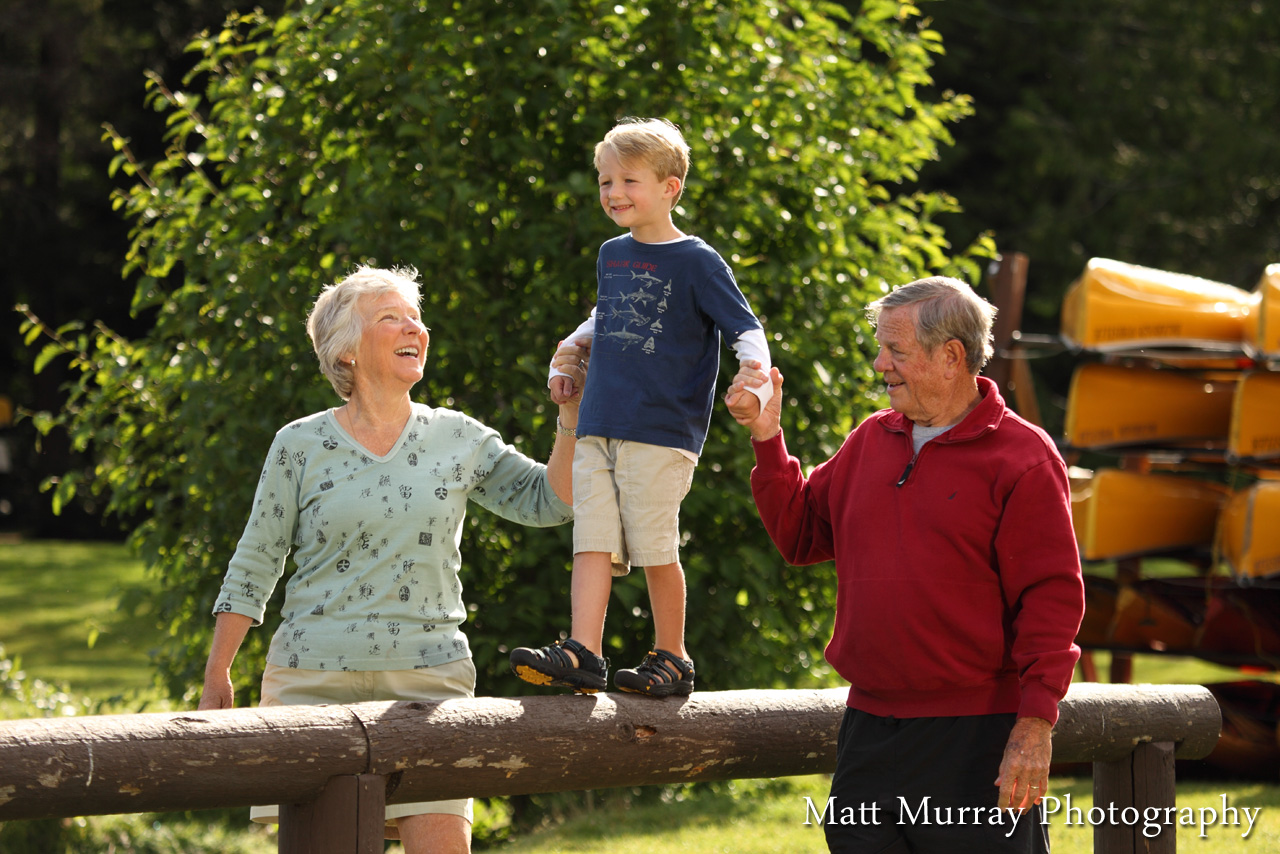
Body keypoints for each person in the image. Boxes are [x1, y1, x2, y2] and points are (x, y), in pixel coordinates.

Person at [197, 265, 583, 854]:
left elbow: (551, 501)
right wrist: (219, 669)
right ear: (345, 353)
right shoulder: (298, 444)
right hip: (312, 680)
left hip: (429, 682)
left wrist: (570, 416)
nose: (416, 328)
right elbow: (257, 557)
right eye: (391, 317)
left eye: (416, 317)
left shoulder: (457, 436)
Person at [726, 277, 1084, 853]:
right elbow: (799, 536)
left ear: (951, 356)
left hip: (978, 737)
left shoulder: (1024, 457)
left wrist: (1035, 723)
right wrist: (768, 436)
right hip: (869, 731)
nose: (878, 363)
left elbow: (1052, 600)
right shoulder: (869, 439)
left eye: (896, 350)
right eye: (880, 347)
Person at [508, 117, 773, 697]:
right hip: (600, 419)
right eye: (605, 182)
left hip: (660, 428)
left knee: (655, 545)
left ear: (670, 187)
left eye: (629, 180)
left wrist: (755, 382)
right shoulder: (612, 254)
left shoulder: (697, 261)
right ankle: (584, 651)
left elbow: (746, 330)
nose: (613, 193)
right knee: (592, 538)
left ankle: (673, 655)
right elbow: (606, 316)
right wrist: (567, 355)